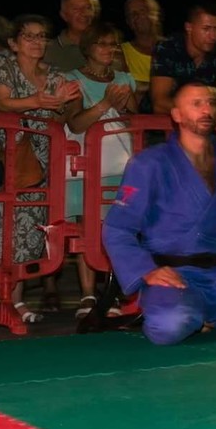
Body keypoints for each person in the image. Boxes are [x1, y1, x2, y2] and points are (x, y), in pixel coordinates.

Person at [102, 82, 216, 345]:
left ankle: (212, 317)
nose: (206, 109)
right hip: (174, 276)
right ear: (176, 115)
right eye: (196, 104)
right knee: (169, 326)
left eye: (211, 103)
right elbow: (118, 228)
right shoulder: (149, 163)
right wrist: (146, 270)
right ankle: (201, 315)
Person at [0, 14, 82, 322]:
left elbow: (62, 118)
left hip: (42, 163)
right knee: (0, 230)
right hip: (8, 157)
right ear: (13, 43)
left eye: (41, 36)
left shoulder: (55, 75)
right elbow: (3, 102)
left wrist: (62, 104)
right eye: (28, 36)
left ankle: (15, 301)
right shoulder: (4, 64)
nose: (36, 42)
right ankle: (2, 299)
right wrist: (38, 100)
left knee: (27, 233)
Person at [63, 22, 137, 319]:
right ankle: (87, 294)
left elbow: (135, 119)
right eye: (102, 44)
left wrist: (123, 105)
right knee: (87, 228)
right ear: (88, 48)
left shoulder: (125, 79)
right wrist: (105, 103)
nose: (109, 49)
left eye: (113, 44)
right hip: (87, 164)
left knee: (115, 228)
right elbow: (75, 124)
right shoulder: (72, 79)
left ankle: (112, 291)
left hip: (120, 163)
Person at [143, 4, 216, 130]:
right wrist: (208, 111)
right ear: (189, 27)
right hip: (164, 129)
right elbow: (159, 103)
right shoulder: (168, 48)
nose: (213, 36)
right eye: (206, 29)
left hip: (206, 129)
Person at [119, 0, 163, 105]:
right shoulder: (119, 52)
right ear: (128, 21)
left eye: (143, 10)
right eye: (132, 14)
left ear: (157, 15)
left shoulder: (175, 48)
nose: (137, 16)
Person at [44, 0, 100, 72]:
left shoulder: (110, 45)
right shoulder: (48, 50)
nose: (83, 13)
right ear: (64, 15)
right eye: (75, 9)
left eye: (88, 7)